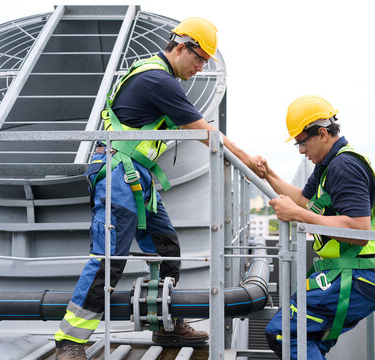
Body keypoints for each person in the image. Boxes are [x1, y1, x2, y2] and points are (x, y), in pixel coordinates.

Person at [54, 17, 265, 360]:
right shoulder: (158, 80)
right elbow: (206, 132)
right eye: (199, 59)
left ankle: (167, 325)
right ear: (180, 47)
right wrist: (246, 159)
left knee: (167, 248)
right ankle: (70, 341)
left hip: (134, 177)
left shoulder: (154, 74)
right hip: (118, 173)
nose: (200, 68)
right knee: (109, 258)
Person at [262, 95, 375, 359]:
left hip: (359, 274)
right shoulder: (328, 164)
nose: (300, 150)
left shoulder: (344, 165)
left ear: (322, 134)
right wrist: (268, 174)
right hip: (359, 272)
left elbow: (358, 230)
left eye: (302, 142)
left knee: (284, 332)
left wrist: (299, 215)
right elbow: (303, 199)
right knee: (310, 339)